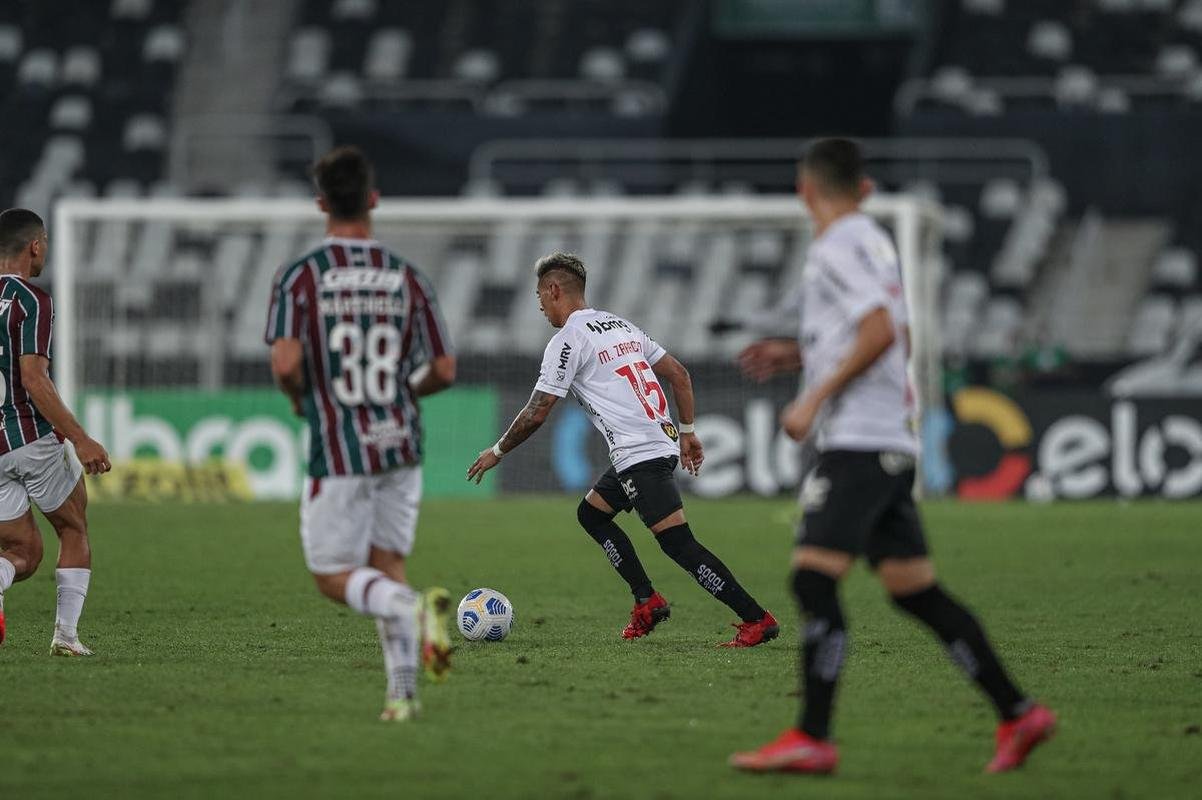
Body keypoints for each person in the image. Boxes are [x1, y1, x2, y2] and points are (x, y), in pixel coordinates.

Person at [730, 138, 1056, 774]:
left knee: (811, 578)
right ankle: (1019, 713)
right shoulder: (873, 240)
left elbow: (880, 333)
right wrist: (795, 356)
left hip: (860, 439)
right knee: (914, 591)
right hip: (887, 441)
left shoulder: (838, 243)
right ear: (866, 187)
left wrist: (810, 399)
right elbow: (871, 331)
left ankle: (813, 737)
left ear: (805, 189)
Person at [466, 252, 777, 647]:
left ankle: (756, 618)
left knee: (678, 543)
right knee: (592, 515)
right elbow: (679, 375)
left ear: (554, 289)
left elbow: (537, 411)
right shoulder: (621, 326)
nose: (539, 305)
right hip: (656, 444)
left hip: (639, 454)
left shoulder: (568, 340)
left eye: (540, 296)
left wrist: (497, 451)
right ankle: (646, 600)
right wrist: (688, 432)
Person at [265, 146, 457, 721]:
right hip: (401, 440)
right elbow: (444, 370)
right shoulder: (407, 277)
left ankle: (413, 610)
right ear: (373, 200)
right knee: (385, 567)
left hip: (340, 445)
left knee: (333, 576)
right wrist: (402, 394)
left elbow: (285, 364)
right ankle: (402, 695)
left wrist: (302, 399)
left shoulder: (301, 277)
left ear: (322, 203)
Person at [0, 208, 111, 656]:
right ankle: (66, 636)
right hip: (29, 435)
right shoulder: (32, 300)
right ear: (35, 246)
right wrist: (81, 438)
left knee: (21, 553)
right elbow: (34, 379)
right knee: (73, 528)